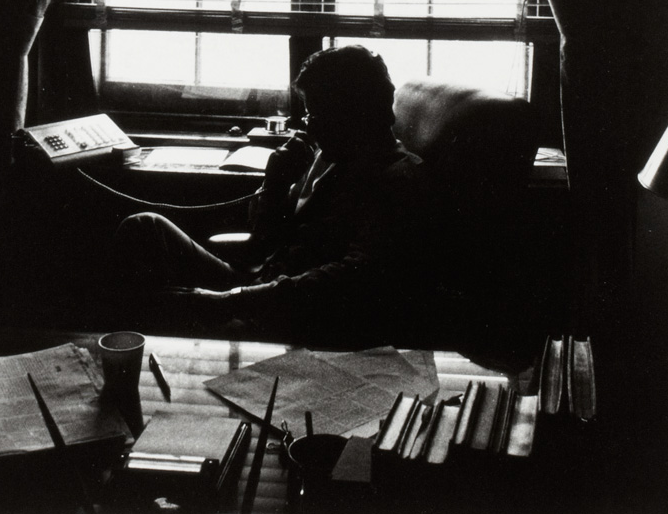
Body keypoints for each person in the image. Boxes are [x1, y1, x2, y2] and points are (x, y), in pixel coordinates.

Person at [111, 46, 436, 346]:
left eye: (316, 115)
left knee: (158, 308)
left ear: (352, 114)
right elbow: (262, 242)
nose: (310, 128)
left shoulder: (397, 181)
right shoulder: (338, 159)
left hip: (294, 316)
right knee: (145, 228)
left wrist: (231, 301)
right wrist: (276, 182)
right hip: (261, 285)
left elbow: (350, 279)